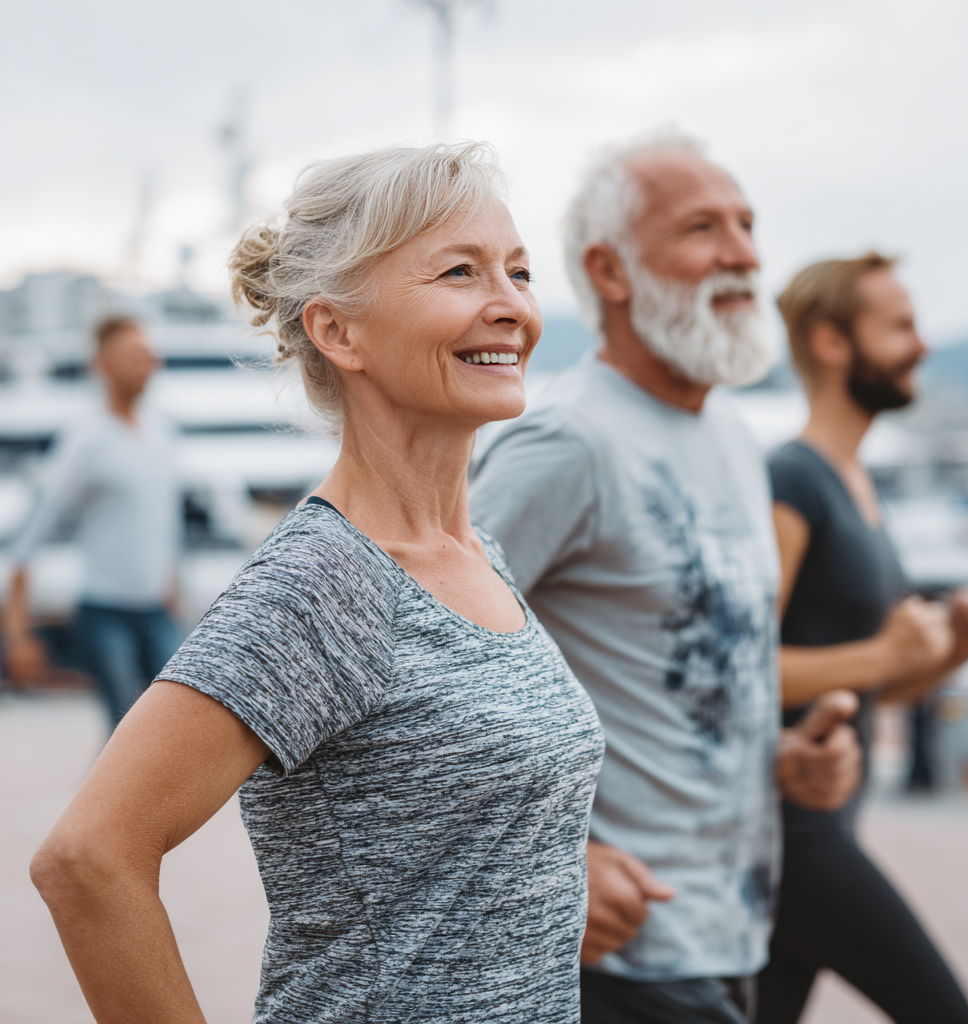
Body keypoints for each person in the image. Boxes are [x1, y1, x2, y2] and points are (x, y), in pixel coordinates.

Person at [31, 142, 605, 1024]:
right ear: (338, 332)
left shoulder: (475, 550)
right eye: (461, 271)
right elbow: (86, 859)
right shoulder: (327, 581)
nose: (511, 306)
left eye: (519, 272)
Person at [470, 133, 861, 1024]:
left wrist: (783, 763)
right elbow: (424, 676)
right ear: (609, 271)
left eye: (748, 225)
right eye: (702, 229)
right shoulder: (566, 443)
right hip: (612, 951)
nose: (744, 254)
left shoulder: (730, 437)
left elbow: (683, 676)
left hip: (728, 928)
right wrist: (556, 865)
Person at [754, 254, 968, 1024]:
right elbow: (740, 669)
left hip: (830, 822)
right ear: (831, 343)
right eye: (899, 327)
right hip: (792, 832)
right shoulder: (792, 481)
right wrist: (882, 655)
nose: (922, 346)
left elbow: (881, 687)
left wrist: (957, 649)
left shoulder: (856, 483)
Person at [1, 317, 180, 729]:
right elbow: (33, 533)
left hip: (157, 610)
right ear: (103, 365)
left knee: (173, 726)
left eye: (149, 355)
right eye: (134, 356)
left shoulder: (163, 434)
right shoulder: (85, 440)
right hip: (105, 611)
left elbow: (163, 524)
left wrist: (171, 584)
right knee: (125, 731)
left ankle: (106, 795)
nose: (147, 363)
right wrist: (17, 634)